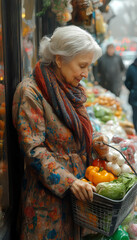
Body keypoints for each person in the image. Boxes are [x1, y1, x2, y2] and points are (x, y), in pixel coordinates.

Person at [12, 25, 109, 240]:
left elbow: (74, 135)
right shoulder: (30, 92)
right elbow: (34, 150)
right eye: (82, 66)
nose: (86, 73)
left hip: (78, 200)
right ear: (59, 59)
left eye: (88, 66)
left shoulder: (71, 89)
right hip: (48, 205)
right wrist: (69, 181)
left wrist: (94, 142)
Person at [124, 57, 137, 133]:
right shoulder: (131, 68)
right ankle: (135, 131)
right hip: (135, 96)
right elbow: (127, 82)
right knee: (135, 115)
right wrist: (133, 90)